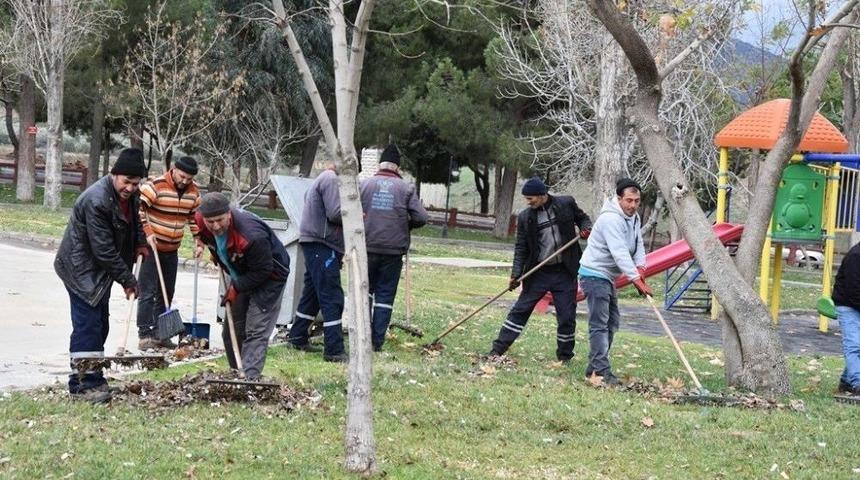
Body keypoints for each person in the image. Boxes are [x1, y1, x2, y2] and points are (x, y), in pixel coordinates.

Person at [54, 148, 149, 403]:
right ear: (114, 174)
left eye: (135, 182)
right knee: (88, 326)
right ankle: (84, 385)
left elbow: (135, 222)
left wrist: (140, 242)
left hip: (100, 271)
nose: (130, 187)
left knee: (100, 324)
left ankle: (91, 378)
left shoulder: (131, 195)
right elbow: (103, 250)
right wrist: (128, 280)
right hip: (81, 269)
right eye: (126, 181)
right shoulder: (96, 200)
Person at [488, 176, 592, 363]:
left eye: (531, 198)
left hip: (564, 271)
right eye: (527, 199)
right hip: (538, 272)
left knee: (567, 316)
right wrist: (516, 274)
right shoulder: (526, 217)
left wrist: (585, 228)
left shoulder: (566, 204)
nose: (528, 202)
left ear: (542, 195)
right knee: (520, 310)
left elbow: (583, 219)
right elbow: (521, 248)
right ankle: (497, 349)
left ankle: (565, 357)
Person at [194, 192, 290, 380]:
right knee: (232, 331)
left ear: (229, 213)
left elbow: (263, 270)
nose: (215, 226)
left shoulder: (251, 235)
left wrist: (236, 287)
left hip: (270, 277)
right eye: (210, 222)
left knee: (255, 330)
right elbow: (200, 233)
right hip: (241, 272)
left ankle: (249, 380)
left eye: (220, 220)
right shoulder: (200, 221)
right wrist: (213, 250)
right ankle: (236, 374)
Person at [578, 178, 650, 386]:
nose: (633, 205)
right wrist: (635, 279)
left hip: (608, 276)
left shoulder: (634, 218)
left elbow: (638, 246)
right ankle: (601, 372)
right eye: (629, 200)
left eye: (637, 201)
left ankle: (593, 368)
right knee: (599, 325)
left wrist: (641, 269)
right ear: (618, 199)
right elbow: (619, 252)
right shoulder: (610, 219)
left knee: (612, 323)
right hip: (594, 273)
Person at [360, 144, 428, 351]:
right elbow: (422, 217)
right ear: (397, 167)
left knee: (366, 292)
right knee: (385, 295)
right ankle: (376, 341)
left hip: (367, 247)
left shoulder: (365, 185)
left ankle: (362, 336)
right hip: (393, 250)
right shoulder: (406, 188)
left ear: (381, 164)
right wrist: (405, 224)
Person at [137, 156, 202, 349]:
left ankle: (161, 334)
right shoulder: (156, 185)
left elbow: (195, 219)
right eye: (182, 176)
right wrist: (147, 232)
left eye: (189, 178)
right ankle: (145, 334)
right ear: (174, 170)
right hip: (151, 247)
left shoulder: (194, 193)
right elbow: (138, 209)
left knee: (166, 292)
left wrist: (199, 242)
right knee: (147, 292)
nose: (184, 181)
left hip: (171, 249)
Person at [287, 165, 348, 363]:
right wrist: (357, 213)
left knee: (312, 295)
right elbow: (336, 213)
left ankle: (297, 337)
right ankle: (334, 350)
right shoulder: (331, 179)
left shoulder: (322, 179)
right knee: (333, 296)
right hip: (323, 243)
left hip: (315, 242)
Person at [832, 241, 860, 396]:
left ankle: (846, 382)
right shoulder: (856, 256)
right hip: (848, 305)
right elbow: (853, 289)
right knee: (854, 345)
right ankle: (857, 383)